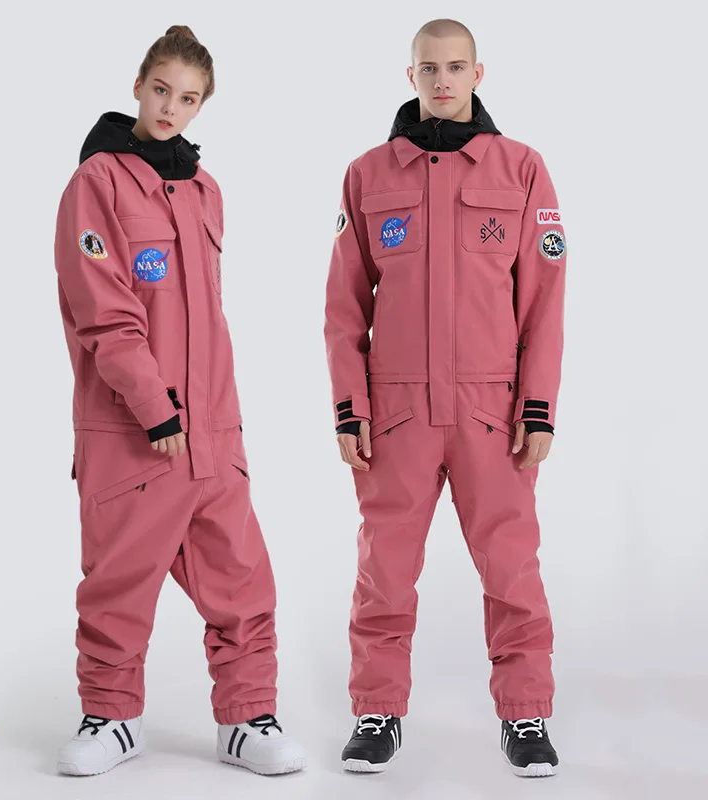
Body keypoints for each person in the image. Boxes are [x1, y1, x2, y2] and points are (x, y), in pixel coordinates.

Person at [53, 25, 306, 777]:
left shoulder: (204, 190)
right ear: (138, 86)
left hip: (214, 434)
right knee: (118, 586)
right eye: (161, 89)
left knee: (243, 583)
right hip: (135, 433)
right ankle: (111, 719)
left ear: (202, 106)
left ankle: (247, 720)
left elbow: (207, 316)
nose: (171, 107)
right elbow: (105, 310)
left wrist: (216, 422)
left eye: (188, 98)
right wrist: (154, 406)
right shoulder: (97, 183)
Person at [324, 18, 566, 777]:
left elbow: (545, 301)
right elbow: (343, 307)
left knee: (512, 570)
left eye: (456, 67)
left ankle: (525, 715)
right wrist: (349, 407)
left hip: (492, 414)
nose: (442, 81)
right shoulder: (368, 175)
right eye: (429, 68)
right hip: (396, 414)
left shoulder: (521, 169)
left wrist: (538, 406)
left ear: (477, 73)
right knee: (385, 572)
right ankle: (377, 712)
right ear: (411, 76)